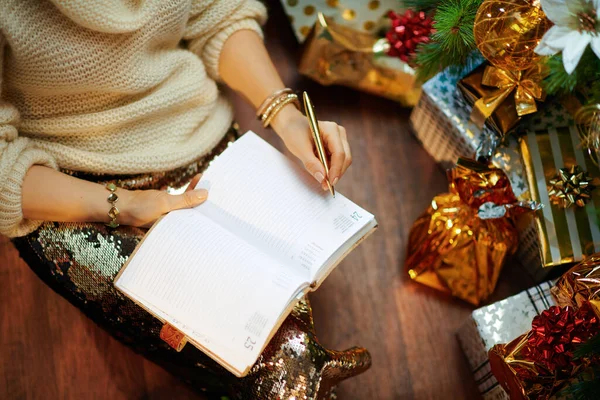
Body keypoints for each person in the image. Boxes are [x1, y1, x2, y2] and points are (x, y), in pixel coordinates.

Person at [0, 0, 371, 398]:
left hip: (196, 139)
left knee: (269, 308)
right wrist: (127, 205)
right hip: (72, 187)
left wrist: (286, 114)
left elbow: (218, 15)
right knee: (251, 345)